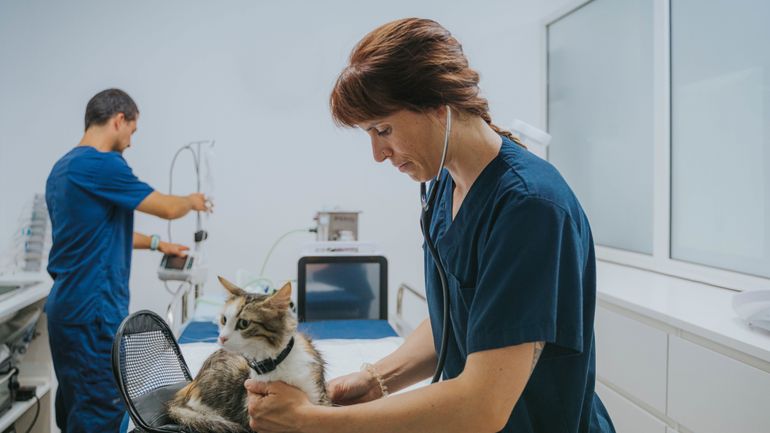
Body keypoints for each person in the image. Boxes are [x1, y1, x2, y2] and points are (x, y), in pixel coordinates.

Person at [243, 18, 615, 433]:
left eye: (383, 129)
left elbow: (482, 407)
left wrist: (310, 422)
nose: (378, 154)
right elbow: (458, 320)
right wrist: (373, 381)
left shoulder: (528, 208)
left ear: (440, 106)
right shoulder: (443, 184)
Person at [45, 88, 211, 433]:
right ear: (119, 120)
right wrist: (192, 201)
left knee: (76, 404)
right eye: (132, 132)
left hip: (66, 309)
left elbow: (94, 232)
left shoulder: (61, 170)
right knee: (100, 410)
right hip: (92, 311)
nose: (131, 142)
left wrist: (157, 244)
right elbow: (166, 206)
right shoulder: (100, 164)